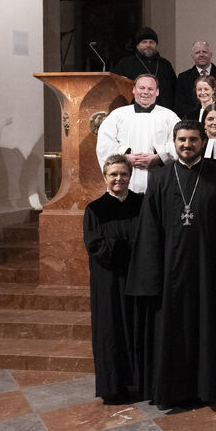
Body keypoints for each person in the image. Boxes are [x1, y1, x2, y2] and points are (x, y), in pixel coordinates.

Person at [126, 120, 216, 409]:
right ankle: (172, 392)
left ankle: (207, 389)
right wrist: (152, 275)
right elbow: (149, 229)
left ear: (203, 142)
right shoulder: (160, 177)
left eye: (193, 139)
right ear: (174, 143)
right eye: (182, 140)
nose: (187, 145)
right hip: (169, 273)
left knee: (206, 328)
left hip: (208, 271)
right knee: (170, 332)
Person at [82, 155, 143, 403]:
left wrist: (126, 247)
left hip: (137, 278)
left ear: (130, 176)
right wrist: (128, 247)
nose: (119, 178)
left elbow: (150, 238)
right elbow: (95, 245)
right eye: (113, 174)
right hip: (108, 281)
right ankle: (114, 388)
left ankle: (142, 382)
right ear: (105, 177)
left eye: (123, 174)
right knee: (111, 330)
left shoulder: (142, 204)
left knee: (138, 328)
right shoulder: (95, 209)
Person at [95, 74, 179, 193]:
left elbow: (179, 143)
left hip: (159, 178)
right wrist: (124, 157)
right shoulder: (118, 115)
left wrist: (159, 157)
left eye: (150, 89)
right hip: (125, 178)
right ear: (134, 89)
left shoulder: (169, 116)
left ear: (157, 92)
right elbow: (104, 144)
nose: (145, 92)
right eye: (142, 88)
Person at [113, 28, 177, 112]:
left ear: (156, 45)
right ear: (137, 45)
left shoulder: (165, 64)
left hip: (162, 112)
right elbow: (116, 89)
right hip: (133, 113)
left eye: (151, 42)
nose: (148, 45)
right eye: (144, 42)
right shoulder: (125, 64)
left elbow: (175, 90)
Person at [175, 41, 216, 117]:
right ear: (192, 56)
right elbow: (180, 105)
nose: (201, 55)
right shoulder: (183, 77)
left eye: (204, 52)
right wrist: (198, 116)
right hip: (192, 120)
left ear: (211, 54)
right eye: (197, 52)